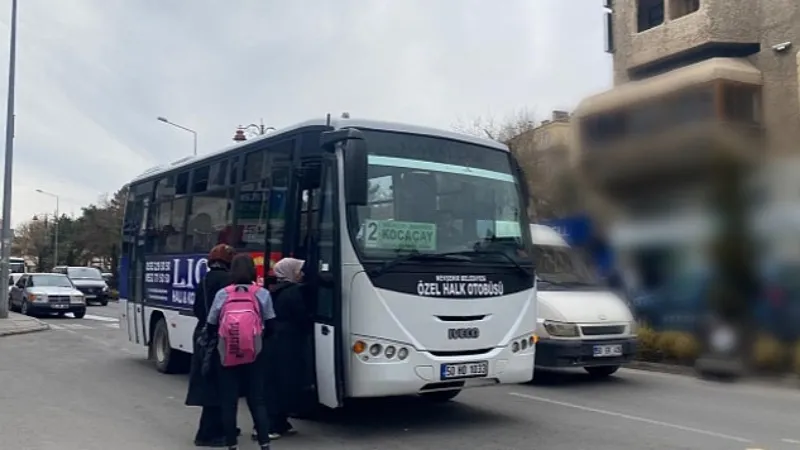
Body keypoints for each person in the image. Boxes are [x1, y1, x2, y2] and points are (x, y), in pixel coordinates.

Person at [206, 253, 276, 450]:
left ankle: (232, 445)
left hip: (228, 354)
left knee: (229, 402)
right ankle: (264, 444)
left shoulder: (223, 294)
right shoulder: (262, 293)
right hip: (255, 353)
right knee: (257, 400)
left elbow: (211, 324)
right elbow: (271, 325)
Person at [185, 244, 235, 447]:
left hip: (203, 335)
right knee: (221, 386)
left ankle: (220, 427)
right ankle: (207, 433)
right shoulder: (229, 281)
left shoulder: (205, 280)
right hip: (221, 337)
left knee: (209, 384)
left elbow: (198, 309)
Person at [259, 257, 311, 440]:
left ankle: (280, 423)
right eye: (299, 271)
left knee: (276, 383)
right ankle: (272, 425)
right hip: (287, 343)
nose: (302, 274)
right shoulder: (294, 293)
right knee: (283, 383)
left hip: (274, 342)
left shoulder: (274, 290)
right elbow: (301, 317)